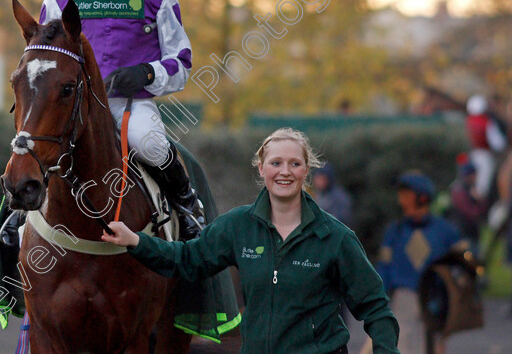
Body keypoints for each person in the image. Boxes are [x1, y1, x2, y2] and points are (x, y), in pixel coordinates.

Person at [102, 127, 400, 353]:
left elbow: (376, 309)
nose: (285, 171)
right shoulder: (238, 225)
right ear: (262, 168)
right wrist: (136, 242)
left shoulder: (335, 237)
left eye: (295, 164)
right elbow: (187, 259)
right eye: (276, 163)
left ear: (306, 171)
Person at [39, 0, 203, 238]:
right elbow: (41, 62)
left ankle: (188, 206)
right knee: (35, 142)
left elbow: (182, 63)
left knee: (150, 143)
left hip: (130, 106)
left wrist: (145, 74)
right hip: (73, 106)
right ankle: (13, 219)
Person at [375, 171, 467, 354]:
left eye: (407, 196)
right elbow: (383, 268)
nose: (402, 201)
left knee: (434, 346)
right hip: (404, 297)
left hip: (435, 298)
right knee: (403, 344)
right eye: (401, 196)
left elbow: (463, 265)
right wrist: (378, 298)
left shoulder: (446, 231)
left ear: (423, 198)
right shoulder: (395, 231)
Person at [465, 94, 507, 199]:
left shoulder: (466, 121)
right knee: (484, 181)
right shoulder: (487, 122)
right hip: (484, 155)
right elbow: (498, 144)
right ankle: (481, 199)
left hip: (468, 155)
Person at [447, 154, 488, 248]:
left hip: (473, 234)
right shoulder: (458, 190)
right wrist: (480, 201)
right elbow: (472, 213)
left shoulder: (472, 189)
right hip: (462, 234)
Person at [311, 162, 354, 227]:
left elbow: (340, 221)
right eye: (317, 178)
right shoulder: (317, 195)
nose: (318, 182)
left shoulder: (339, 198)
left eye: (322, 178)